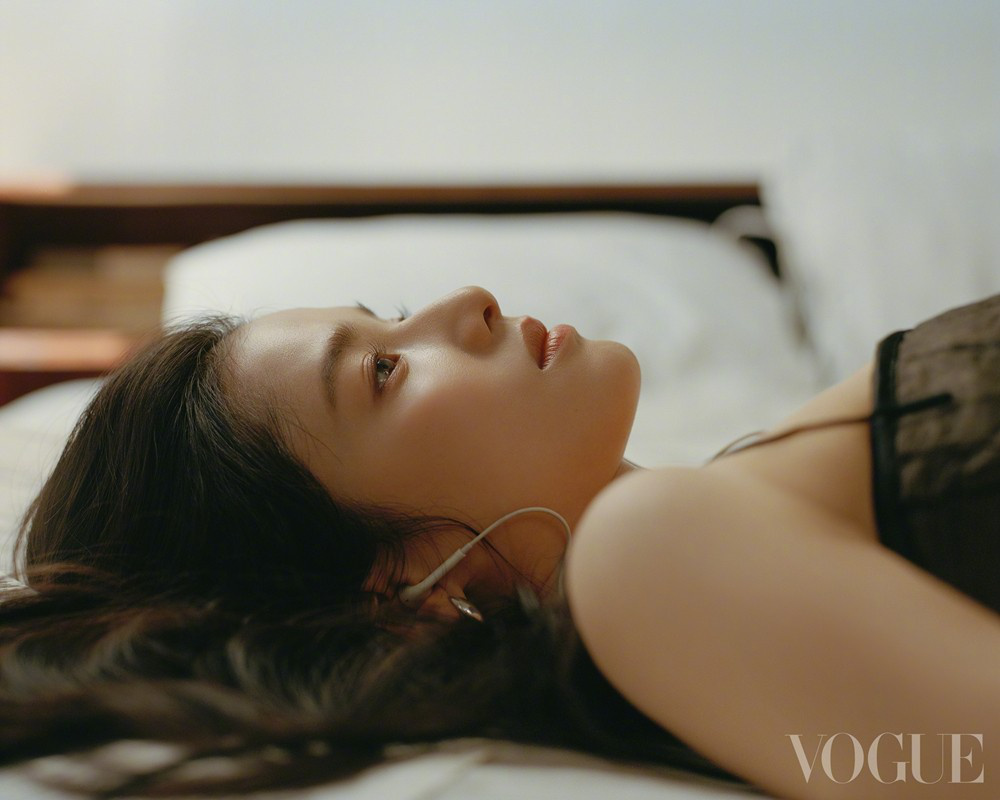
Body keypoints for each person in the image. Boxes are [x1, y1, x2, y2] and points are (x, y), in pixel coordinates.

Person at [1, 286, 998, 799]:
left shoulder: (694, 538)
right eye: (384, 369)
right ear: (399, 586)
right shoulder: (644, 559)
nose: (468, 301)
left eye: (393, 316)